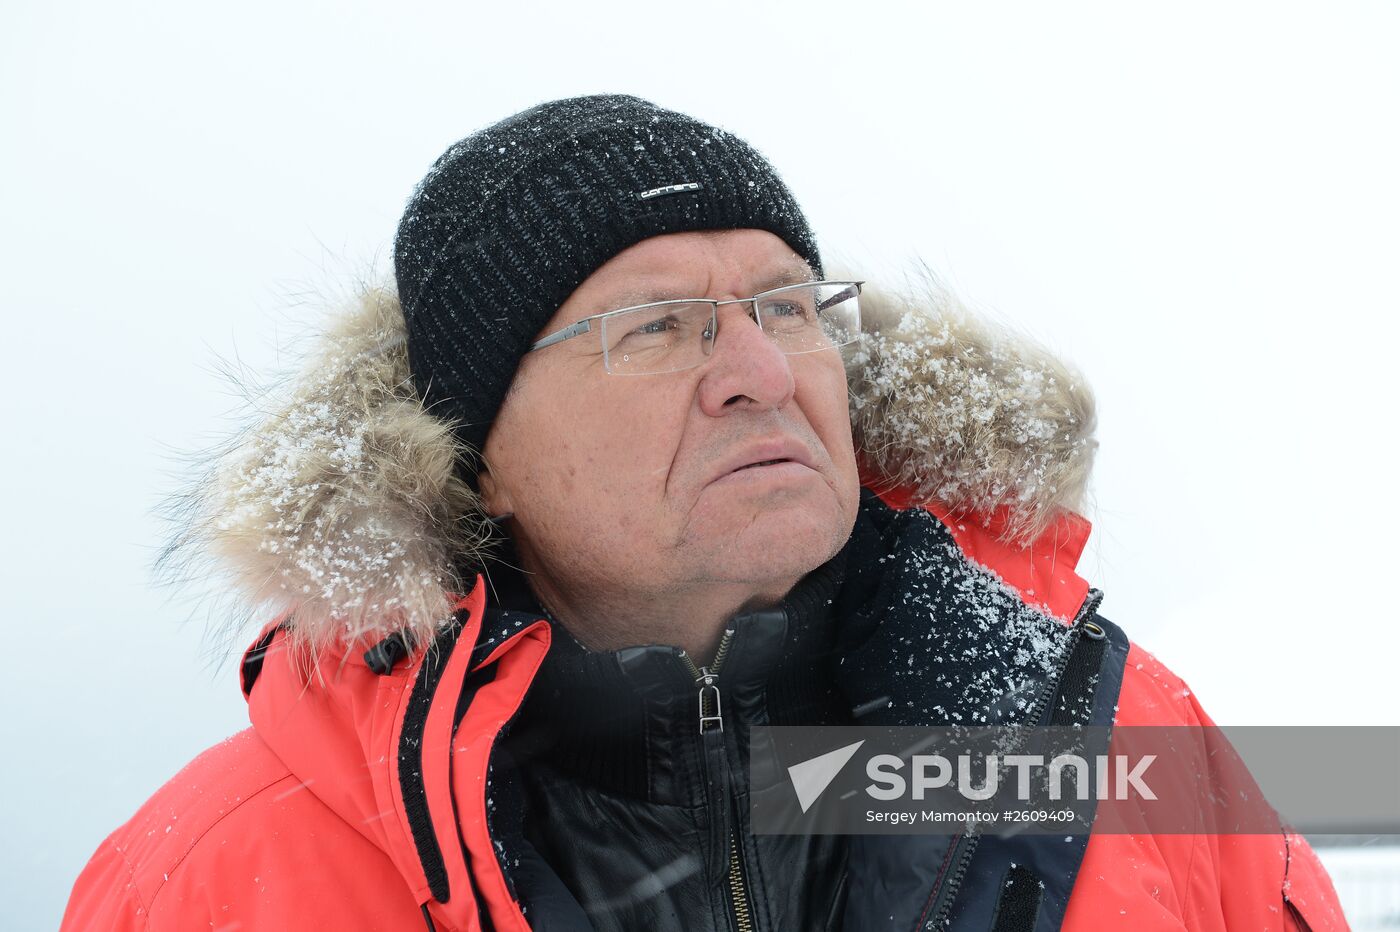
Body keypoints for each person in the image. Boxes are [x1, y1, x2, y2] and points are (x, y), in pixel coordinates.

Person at [61, 94, 1347, 931]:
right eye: (656, 325)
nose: (762, 370)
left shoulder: (1124, 743)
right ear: (474, 452)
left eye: (788, 306)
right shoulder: (211, 877)